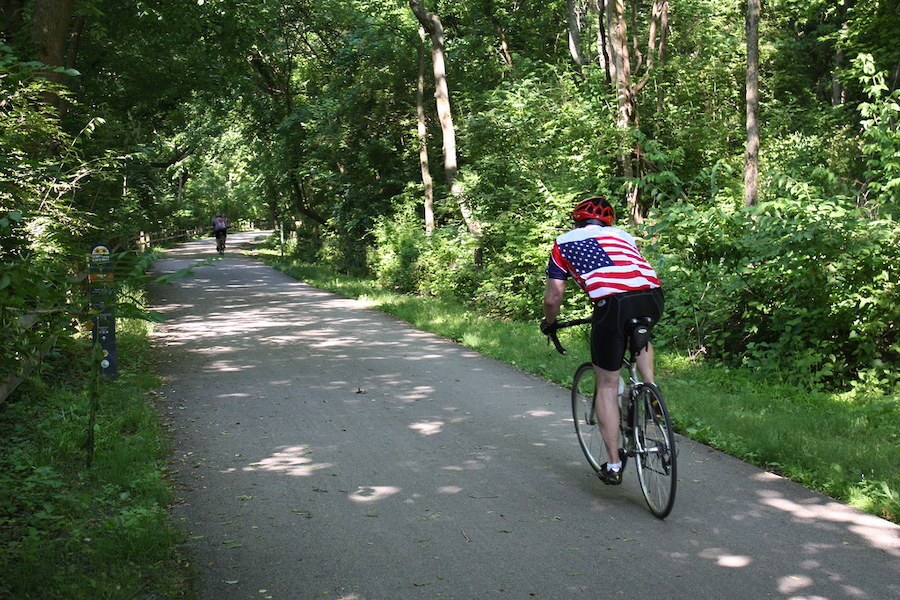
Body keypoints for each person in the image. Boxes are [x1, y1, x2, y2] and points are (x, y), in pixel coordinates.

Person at [540, 196, 663, 485]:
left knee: (607, 385)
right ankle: (650, 387)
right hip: (652, 297)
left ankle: (614, 464)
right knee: (640, 330)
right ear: (608, 222)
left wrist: (549, 323)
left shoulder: (563, 243)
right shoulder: (623, 236)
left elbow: (553, 296)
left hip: (613, 304)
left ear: (576, 220)